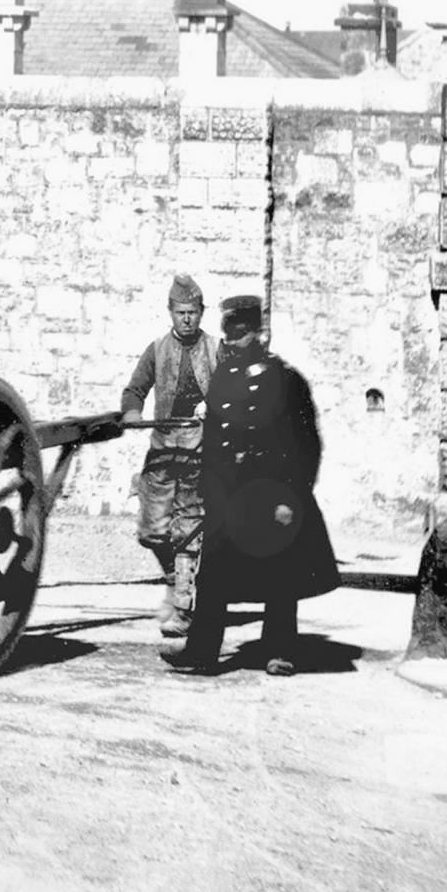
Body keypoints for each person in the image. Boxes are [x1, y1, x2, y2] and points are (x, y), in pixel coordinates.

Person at [163, 296, 340, 678]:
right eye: (229, 333)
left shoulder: (287, 379)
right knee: (213, 576)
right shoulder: (224, 379)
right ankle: (202, 651)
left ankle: (280, 650)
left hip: (274, 493)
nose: (233, 340)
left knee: (281, 574)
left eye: (241, 333)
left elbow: (308, 444)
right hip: (230, 496)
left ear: (259, 333)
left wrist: (293, 496)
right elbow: (214, 439)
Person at [118, 275, 216, 639]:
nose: (187, 319)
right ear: (170, 313)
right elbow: (134, 390)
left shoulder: (215, 350)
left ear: (201, 313)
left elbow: (228, 398)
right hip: (162, 451)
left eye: (192, 312)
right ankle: (177, 584)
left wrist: (215, 408)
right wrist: (132, 414)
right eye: (180, 312)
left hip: (198, 453)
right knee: (153, 531)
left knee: (188, 531)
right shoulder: (156, 350)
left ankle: (183, 609)